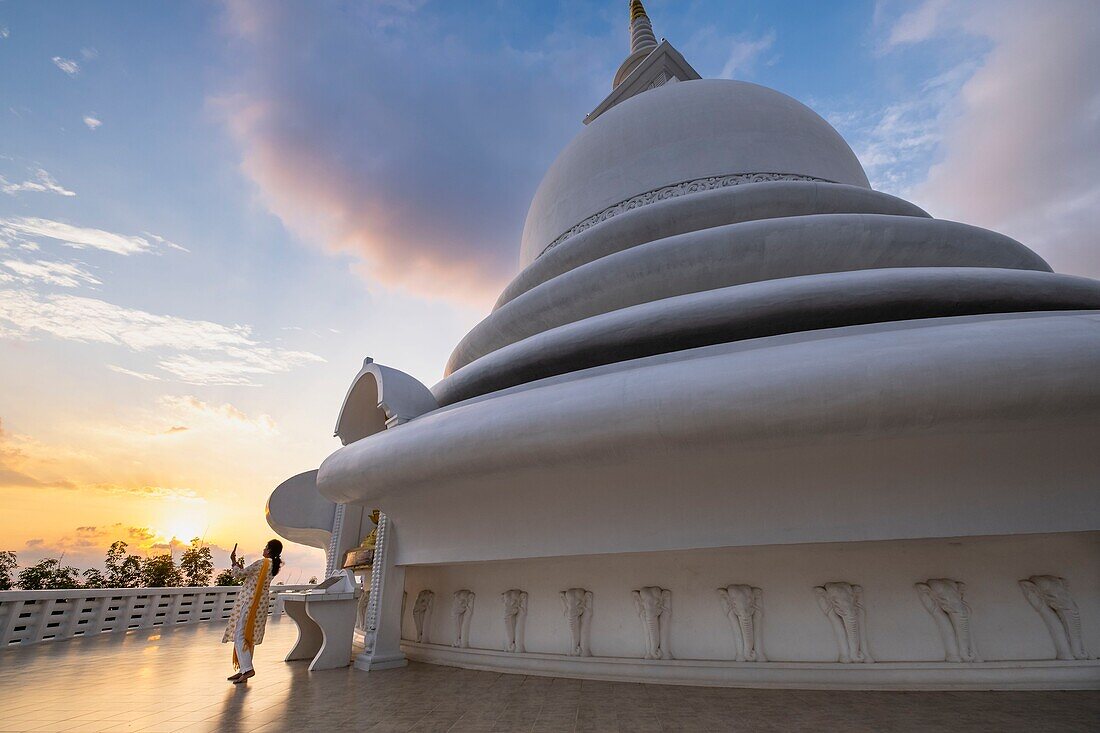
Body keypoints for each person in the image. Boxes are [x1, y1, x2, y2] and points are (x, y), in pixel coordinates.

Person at [223, 539, 282, 683]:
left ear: (268, 550)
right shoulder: (273, 565)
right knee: (248, 635)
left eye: (265, 547)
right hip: (261, 604)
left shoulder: (263, 562)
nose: (264, 549)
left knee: (240, 634)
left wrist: (233, 561)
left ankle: (248, 669)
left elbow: (239, 574)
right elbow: (251, 575)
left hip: (250, 602)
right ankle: (243, 670)